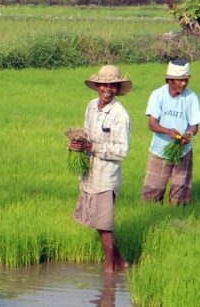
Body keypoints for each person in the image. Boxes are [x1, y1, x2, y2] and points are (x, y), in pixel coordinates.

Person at [70, 65, 131, 272]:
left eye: (112, 85)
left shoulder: (120, 114)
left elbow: (122, 150)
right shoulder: (91, 107)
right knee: (99, 222)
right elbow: (86, 133)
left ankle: (109, 269)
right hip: (90, 173)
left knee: (105, 224)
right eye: (104, 84)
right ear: (97, 86)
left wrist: (93, 147)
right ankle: (120, 261)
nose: (107, 89)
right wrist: (77, 143)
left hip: (107, 176)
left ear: (117, 88)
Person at [141, 59, 200, 205]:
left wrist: (188, 135)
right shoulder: (158, 95)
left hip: (183, 151)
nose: (183, 83)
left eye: (185, 80)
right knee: (152, 192)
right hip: (159, 151)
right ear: (170, 80)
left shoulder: (191, 98)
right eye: (179, 80)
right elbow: (152, 124)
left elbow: (194, 125)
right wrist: (167, 131)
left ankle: (178, 221)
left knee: (180, 193)